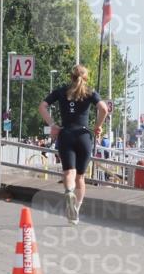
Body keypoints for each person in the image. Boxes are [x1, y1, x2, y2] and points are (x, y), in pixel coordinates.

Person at [38, 64, 110, 225]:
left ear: (71, 76)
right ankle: (75, 209)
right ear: (86, 77)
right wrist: (98, 126)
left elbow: (42, 106)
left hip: (66, 135)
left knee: (69, 173)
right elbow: (104, 108)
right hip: (84, 136)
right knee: (80, 177)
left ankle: (69, 192)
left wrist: (53, 125)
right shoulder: (90, 92)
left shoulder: (61, 91)